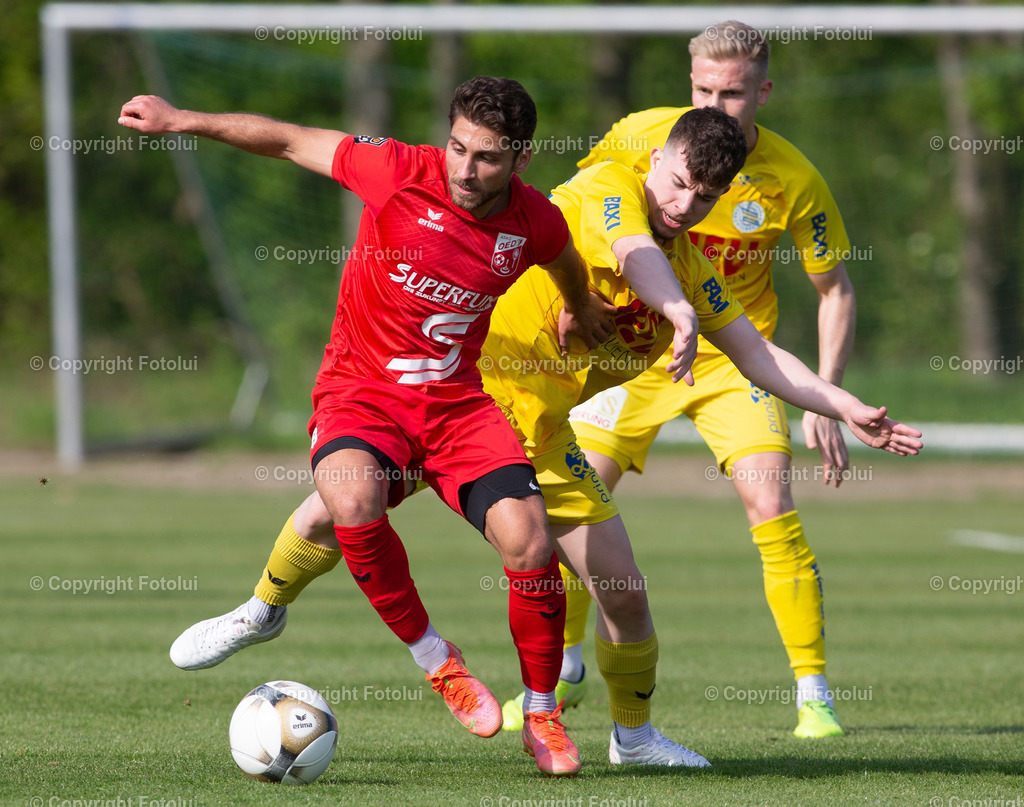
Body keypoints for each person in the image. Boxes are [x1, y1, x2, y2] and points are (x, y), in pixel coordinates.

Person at [164, 106, 923, 769]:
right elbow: (633, 252)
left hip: (544, 431)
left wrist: (843, 403)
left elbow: (757, 354)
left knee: (624, 591)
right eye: (678, 182)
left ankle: (632, 737)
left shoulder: (692, 267)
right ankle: (261, 609)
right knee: (334, 512)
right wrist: (677, 312)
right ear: (655, 160)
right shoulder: (608, 190)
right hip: (468, 396)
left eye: (705, 196)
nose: (684, 204)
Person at [118, 76, 610, 778]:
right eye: (458, 148)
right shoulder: (397, 169)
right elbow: (289, 140)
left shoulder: (534, 220)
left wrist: (580, 304)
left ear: (521, 159)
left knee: (530, 542)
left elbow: (563, 259)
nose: (466, 170)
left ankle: (541, 714)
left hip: (458, 407)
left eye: (488, 157)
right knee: (351, 501)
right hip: (363, 394)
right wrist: (181, 120)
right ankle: (439, 663)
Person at [563, 20, 861, 739]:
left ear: (763, 91)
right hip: (635, 353)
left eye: (731, 94)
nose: (714, 106)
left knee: (771, 501)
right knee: (571, 501)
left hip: (735, 358)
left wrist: (826, 394)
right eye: (702, 90)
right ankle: (559, 672)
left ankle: (814, 695)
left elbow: (835, 290)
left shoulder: (794, 178)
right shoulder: (642, 135)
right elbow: (576, 206)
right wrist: (577, 296)